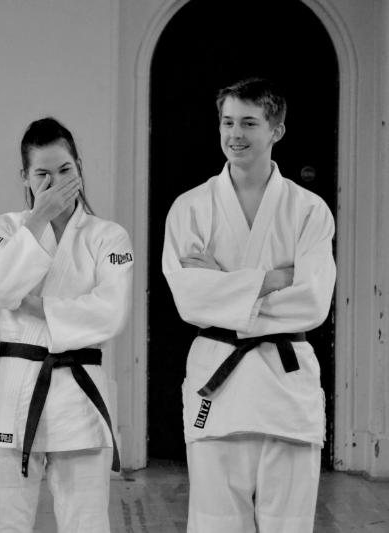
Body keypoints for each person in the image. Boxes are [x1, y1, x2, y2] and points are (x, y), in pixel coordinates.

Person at [162, 78, 336, 532]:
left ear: (276, 130)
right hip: (218, 381)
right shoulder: (191, 208)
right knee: (214, 522)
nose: (234, 134)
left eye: (249, 123)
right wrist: (274, 279)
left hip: (285, 379)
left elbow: (313, 302)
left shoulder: (309, 209)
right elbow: (188, 298)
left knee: (290, 522)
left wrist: (223, 284)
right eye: (227, 121)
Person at [0, 117, 133, 533]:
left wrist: (37, 306)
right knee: (1, 524)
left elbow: (111, 313)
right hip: (14, 389)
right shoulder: (5, 228)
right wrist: (37, 221)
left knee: (87, 524)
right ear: (24, 177)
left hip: (78, 394)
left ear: (79, 167)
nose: (56, 182)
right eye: (42, 174)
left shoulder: (108, 236)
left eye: (65, 170)